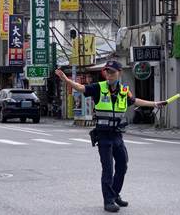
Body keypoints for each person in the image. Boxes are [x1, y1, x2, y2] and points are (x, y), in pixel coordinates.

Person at [55, 60, 166, 213]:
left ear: (119, 73)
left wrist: (155, 104)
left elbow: (134, 101)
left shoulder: (124, 90)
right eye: (107, 72)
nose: (109, 74)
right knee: (108, 169)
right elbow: (81, 88)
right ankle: (108, 200)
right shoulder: (98, 88)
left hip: (117, 135)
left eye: (112, 72)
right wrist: (66, 80)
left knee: (122, 166)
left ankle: (115, 194)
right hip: (103, 136)